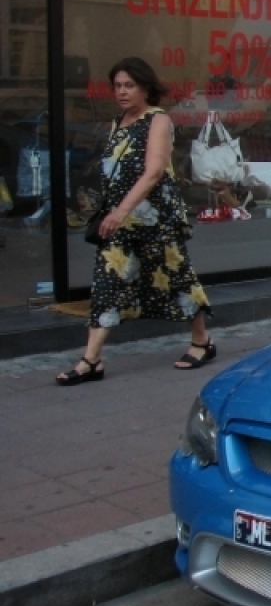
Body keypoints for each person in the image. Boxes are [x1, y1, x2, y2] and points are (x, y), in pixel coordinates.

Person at [56, 57, 214, 385]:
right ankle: (91, 360)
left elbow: (154, 171)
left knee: (176, 278)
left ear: (145, 87)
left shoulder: (158, 120)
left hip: (155, 218)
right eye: (117, 86)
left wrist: (120, 211)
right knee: (107, 283)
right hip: (121, 223)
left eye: (129, 85)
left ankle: (202, 342)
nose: (122, 92)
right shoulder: (119, 122)